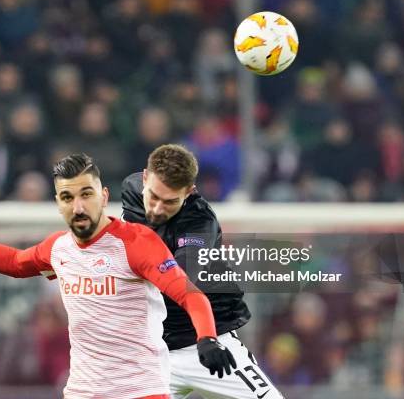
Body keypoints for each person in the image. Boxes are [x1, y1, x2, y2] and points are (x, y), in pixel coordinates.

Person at [0, 153, 235, 399]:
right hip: (82, 391)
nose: (78, 206)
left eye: (86, 195)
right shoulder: (59, 249)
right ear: (58, 203)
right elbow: (13, 262)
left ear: (104, 196)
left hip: (139, 390)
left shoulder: (137, 243)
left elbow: (190, 295)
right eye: (67, 197)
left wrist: (206, 338)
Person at [121, 144, 284, 399]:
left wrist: (206, 338)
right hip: (152, 353)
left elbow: (179, 279)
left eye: (170, 202)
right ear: (144, 178)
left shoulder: (200, 222)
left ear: (189, 191)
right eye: (153, 197)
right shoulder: (130, 189)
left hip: (207, 344)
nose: (157, 209)